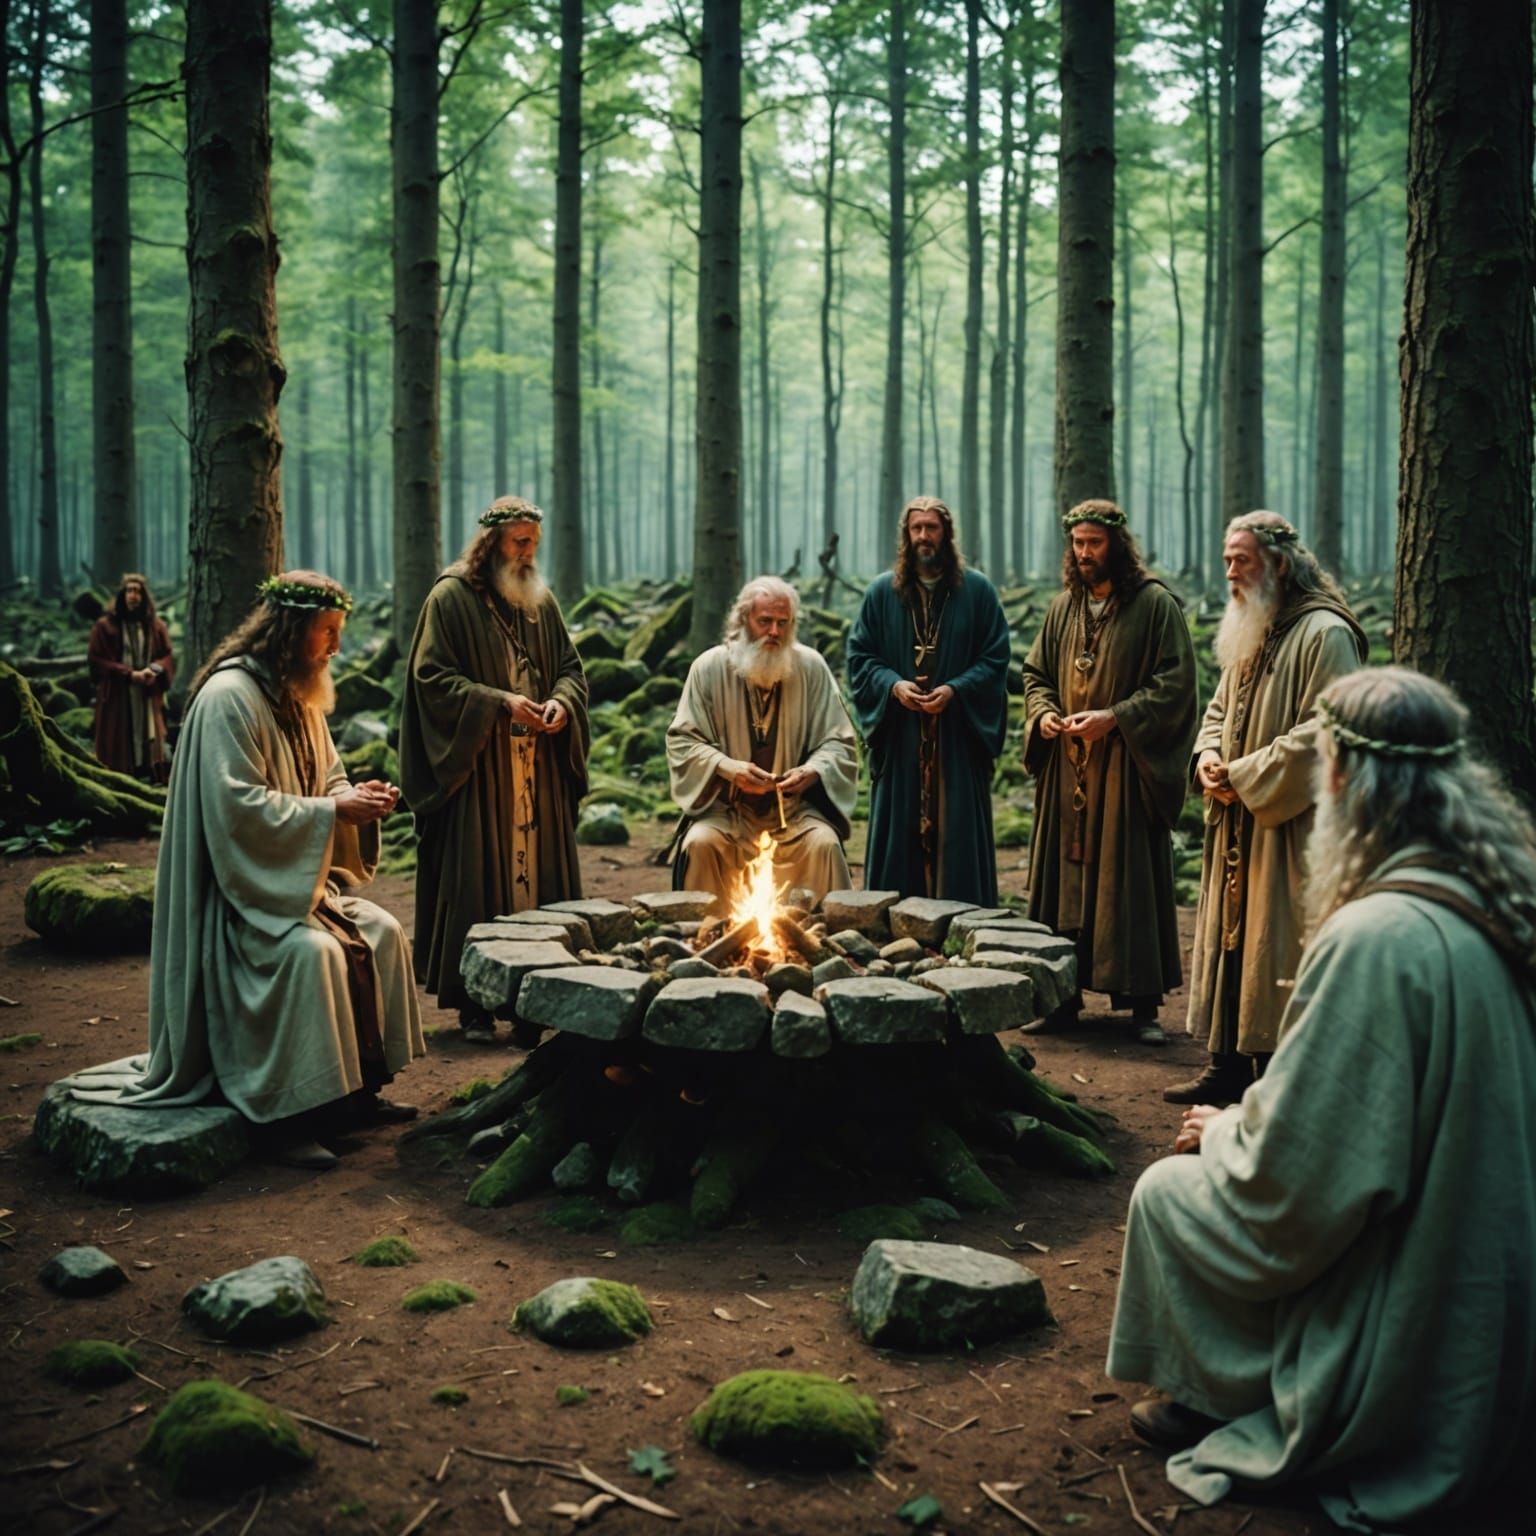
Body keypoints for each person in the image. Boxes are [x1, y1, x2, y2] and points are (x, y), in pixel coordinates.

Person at [1107, 666, 1536, 1531]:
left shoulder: (1377, 937)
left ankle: (1227, 1399)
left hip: (1411, 1280)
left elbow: (1303, 1177)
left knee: (1166, 1192)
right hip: (1481, 1261)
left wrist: (1227, 1131)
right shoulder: (1500, 897)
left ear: (1343, 778)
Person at [77, 571, 425, 1170]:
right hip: (239, 903)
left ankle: (358, 1094)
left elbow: (329, 779)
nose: (337, 646)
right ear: (291, 629)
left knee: (382, 931)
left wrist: (355, 799)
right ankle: (289, 1117)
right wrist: (332, 811)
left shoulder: (300, 692)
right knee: (312, 957)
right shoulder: (228, 697)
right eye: (327, 631)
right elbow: (236, 810)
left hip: (294, 886)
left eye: (339, 631)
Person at [1165, 511, 1366, 1104]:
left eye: (1241, 561)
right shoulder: (1252, 623)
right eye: (1227, 560)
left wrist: (1245, 774)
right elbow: (1218, 710)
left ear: (1278, 564)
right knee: (1232, 939)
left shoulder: (1325, 632)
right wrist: (1207, 756)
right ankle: (1225, 1066)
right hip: (1235, 815)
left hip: (1287, 825)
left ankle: (1278, 1077)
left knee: (1273, 941)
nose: (1230, 572)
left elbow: (1330, 730)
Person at [399, 496, 590, 1043]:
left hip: (538, 768)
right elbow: (431, 679)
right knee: (478, 883)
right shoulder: (451, 597)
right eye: (519, 542)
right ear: (491, 544)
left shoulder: (540, 600)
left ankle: (538, 999)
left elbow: (570, 669)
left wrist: (561, 703)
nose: (528, 552)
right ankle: (476, 1006)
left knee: (539, 886)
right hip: (480, 771)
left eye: (534, 542)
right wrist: (499, 703)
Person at [1021, 501, 1197, 1043]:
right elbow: (1036, 674)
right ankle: (1060, 1000)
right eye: (1078, 543)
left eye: (1094, 543)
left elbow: (1175, 684)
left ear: (1117, 545)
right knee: (1064, 886)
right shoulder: (1063, 607)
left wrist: (1115, 718)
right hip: (1068, 769)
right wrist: (1044, 715)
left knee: (1128, 881)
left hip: (1124, 767)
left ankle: (1142, 1007)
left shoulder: (1154, 605)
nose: (1085, 553)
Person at [846, 496, 1011, 904]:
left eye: (931, 528)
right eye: (916, 528)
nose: (923, 536)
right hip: (901, 734)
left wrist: (956, 689)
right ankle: (893, 914)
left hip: (957, 736)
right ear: (906, 535)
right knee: (899, 830)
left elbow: (996, 657)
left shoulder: (977, 591)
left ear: (946, 534)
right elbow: (860, 656)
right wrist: (892, 686)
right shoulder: (882, 592)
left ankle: (963, 915)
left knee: (957, 829)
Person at [667, 575, 858, 906]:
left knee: (825, 845)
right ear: (743, 620)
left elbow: (839, 742)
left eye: (783, 623)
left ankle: (825, 932)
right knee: (700, 843)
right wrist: (727, 768)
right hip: (728, 812)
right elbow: (682, 741)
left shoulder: (811, 667)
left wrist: (813, 770)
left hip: (793, 814)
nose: (774, 632)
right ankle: (702, 931)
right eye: (765, 621)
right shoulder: (708, 667)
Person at [87, 572, 174, 782]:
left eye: (137, 591)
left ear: (144, 597)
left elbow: (167, 656)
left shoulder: (155, 626)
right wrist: (128, 674)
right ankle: (121, 777)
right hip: (118, 693)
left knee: (150, 735)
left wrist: (154, 670)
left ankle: (149, 772)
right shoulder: (105, 626)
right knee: (119, 737)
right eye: (129, 591)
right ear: (122, 595)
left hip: (147, 691)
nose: (133, 596)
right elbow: (96, 660)